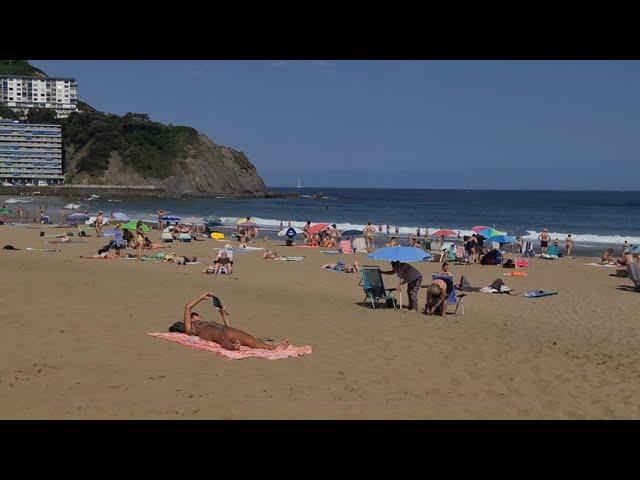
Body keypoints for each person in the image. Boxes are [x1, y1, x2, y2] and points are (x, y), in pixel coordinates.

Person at [178, 293, 290, 351]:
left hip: (223, 328)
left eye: (197, 315)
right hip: (207, 332)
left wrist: (223, 314)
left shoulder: (207, 321)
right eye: (194, 317)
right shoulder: (191, 328)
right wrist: (201, 298)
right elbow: (188, 307)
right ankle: (232, 348)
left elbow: (228, 327)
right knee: (219, 335)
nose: (197, 317)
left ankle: (274, 347)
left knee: (249, 339)